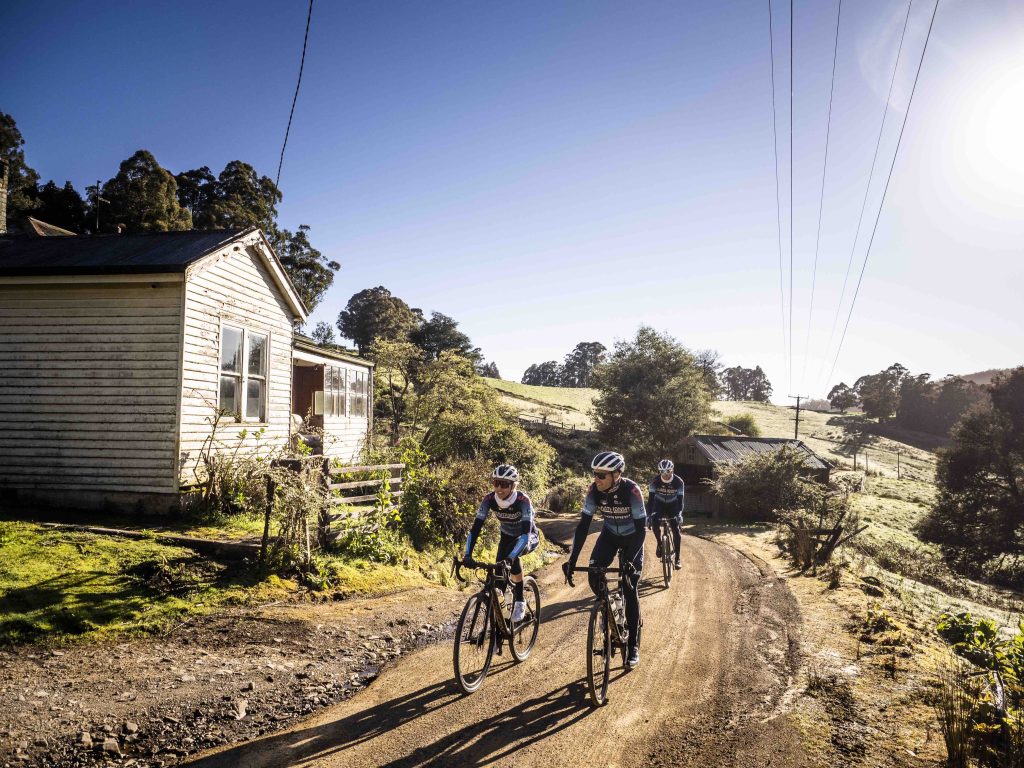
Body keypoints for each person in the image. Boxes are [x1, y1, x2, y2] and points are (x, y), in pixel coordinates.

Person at [562, 451, 647, 669]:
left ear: (616, 474)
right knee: (594, 574)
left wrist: (630, 559)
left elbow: (641, 529)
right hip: (609, 535)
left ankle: (633, 645)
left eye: (601, 475)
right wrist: (572, 559)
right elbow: (583, 526)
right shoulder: (594, 491)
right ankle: (610, 610)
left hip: (632, 539)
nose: (596, 479)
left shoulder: (632, 491)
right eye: (595, 474)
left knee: (629, 587)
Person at [463, 464, 539, 623]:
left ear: (513, 485)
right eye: (496, 482)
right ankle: (499, 626)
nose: (499, 488)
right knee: (498, 583)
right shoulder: (489, 499)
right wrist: (467, 554)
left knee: (513, 556)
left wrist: (511, 557)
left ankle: (520, 601)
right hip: (506, 536)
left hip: (527, 537)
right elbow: (475, 529)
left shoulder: (523, 501)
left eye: (504, 484)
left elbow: (525, 534)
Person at [648, 459, 685, 570]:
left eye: (668, 471)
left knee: (676, 530)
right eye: (662, 472)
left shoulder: (678, 482)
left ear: (672, 470)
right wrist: (649, 515)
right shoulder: (655, 481)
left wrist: (679, 514)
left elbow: (680, 500)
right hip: (658, 504)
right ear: (659, 471)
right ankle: (660, 544)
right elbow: (650, 501)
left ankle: (677, 558)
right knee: (654, 523)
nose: (665, 474)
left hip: (673, 505)